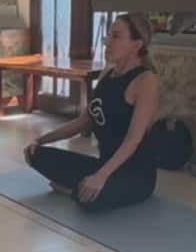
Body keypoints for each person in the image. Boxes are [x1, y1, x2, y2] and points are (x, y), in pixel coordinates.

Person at [24, 12, 160, 210]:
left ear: (136, 45)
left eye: (116, 36)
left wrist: (101, 176)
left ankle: (73, 191)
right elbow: (84, 121)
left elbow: (133, 139)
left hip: (135, 175)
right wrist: (40, 141)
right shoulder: (107, 74)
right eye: (108, 35)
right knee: (36, 155)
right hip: (104, 164)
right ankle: (82, 188)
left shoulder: (145, 80)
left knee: (92, 199)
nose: (107, 42)